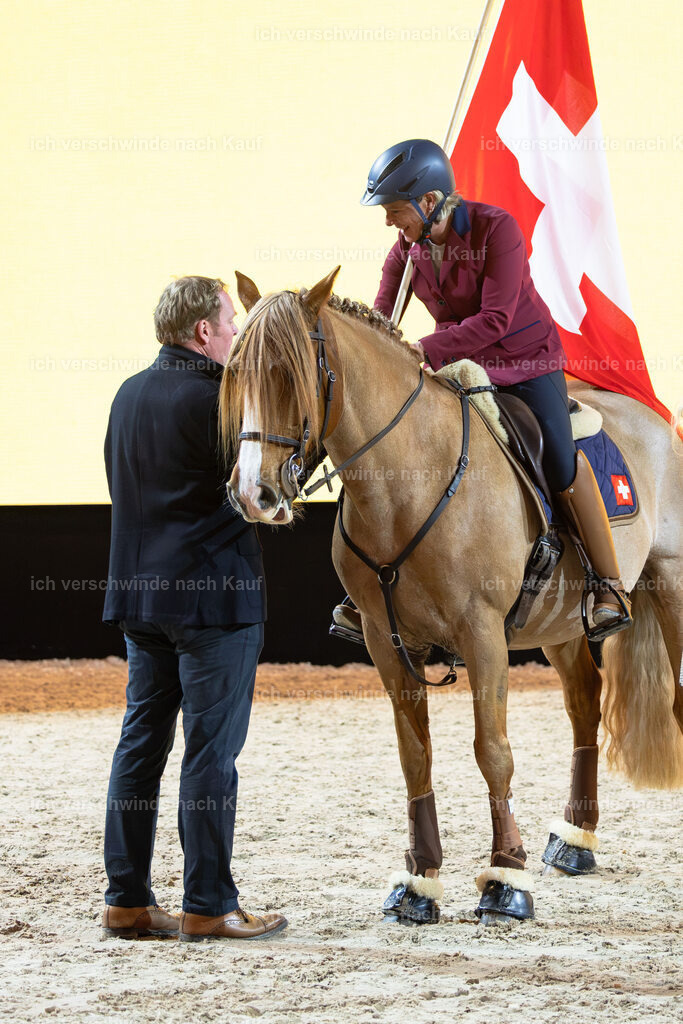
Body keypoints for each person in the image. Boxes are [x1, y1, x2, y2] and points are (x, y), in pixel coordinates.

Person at [333, 139, 630, 640]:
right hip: (459, 366)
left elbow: (496, 318)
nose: (389, 222)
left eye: (395, 210)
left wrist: (426, 349)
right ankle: (368, 588)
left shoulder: (499, 230)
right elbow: (382, 320)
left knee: (558, 458)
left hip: (526, 364)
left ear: (429, 202)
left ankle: (607, 583)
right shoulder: (406, 250)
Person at [102, 276, 287, 942]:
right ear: (203, 332)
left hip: (139, 599)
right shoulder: (222, 398)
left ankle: (125, 898)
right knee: (211, 757)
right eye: (231, 323)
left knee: (140, 746)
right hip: (214, 602)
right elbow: (259, 491)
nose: (236, 332)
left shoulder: (127, 394)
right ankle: (208, 903)